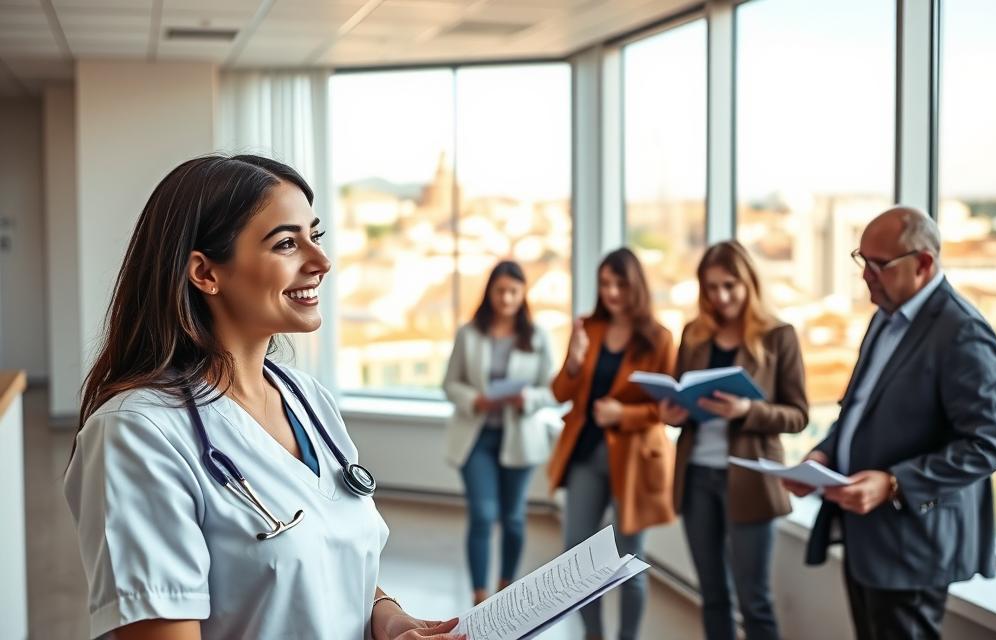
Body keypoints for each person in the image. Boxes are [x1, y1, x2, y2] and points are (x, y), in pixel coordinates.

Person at [64, 155, 464, 640]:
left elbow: (328, 555)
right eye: (287, 244)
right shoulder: (137, 433)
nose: (320, 262)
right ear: (205, 273)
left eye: (315, 237)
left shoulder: (306, 398)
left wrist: (386, 614)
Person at [784, 206, 996, 640]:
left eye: (879, 265)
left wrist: (893, 483)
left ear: (923, 264)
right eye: (861, 259)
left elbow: (988, 446)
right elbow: (859, 408)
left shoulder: (963, 333)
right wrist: (824, 452)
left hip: (913, 543)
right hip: (865, 532)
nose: (866, 274)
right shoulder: (884, 317)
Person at [658, 241, 808, 640]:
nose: (720, 297)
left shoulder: (779, 336)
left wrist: (747, 412)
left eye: (729, 286)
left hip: (749, 480)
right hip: (696, 478)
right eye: (710, 288)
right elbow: (679, 396)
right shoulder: (693, 335)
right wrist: (670, 414)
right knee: (712, 594)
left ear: (749, 283)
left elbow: (798, 415)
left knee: (753, 599)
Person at [548, 247, 676, 640]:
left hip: (636, 460)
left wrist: (624, 414)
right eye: (604, 284)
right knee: (577, 555)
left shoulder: (658, 339)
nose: (612, 292)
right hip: (587, 453)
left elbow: (667, 408)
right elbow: (560, 392)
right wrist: (573, 360)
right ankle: (593, 635)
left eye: (620, 283)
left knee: (627, 561)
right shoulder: (589, 327)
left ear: (635, 284)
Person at [442, 260, 559, 605]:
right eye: (500, 291)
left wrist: (528, 398)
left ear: (523, 295)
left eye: (513, 292)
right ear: (490, 292)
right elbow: (449, 384)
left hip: (520, 438)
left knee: (512, 518)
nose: (506, 299)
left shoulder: (537, 337)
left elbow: (552, 390)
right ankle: (480, 596)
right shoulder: (469, 334)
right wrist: (475, 400)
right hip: (476, 438)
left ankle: (505, 589)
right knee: (482, 514)